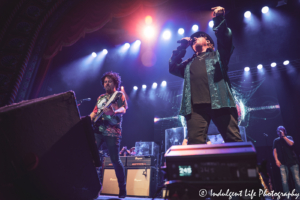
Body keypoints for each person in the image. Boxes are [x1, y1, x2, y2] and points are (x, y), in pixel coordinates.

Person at [169, 6, 242, 144]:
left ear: (208, 42)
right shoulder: (188, 63)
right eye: (192, 38)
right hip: (195, 109)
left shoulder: (218, 56)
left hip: (220, 103)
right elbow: (172, 67)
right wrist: (182, 48)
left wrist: (219, 18)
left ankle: (242, 166)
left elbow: (225, 40)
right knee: (195, 144)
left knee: (234, 140)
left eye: (198, 36)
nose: (194, 38)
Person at [90, 71, 128, 198]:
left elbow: (123, 109)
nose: (107, 83)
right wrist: (85, 120)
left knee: (115, 160)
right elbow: (94, 113)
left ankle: (122, 189)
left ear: (115, 83)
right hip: (98, 131)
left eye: (109, 81)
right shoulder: (100, 98)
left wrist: (114, 112)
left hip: (112, 132)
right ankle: (94, 187)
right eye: (105, 81)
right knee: (91, 158)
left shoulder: (119, 95)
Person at [273, 126, 300, 195]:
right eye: (279, 131)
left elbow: (291, 144)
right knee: (284, 181)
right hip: (282, 163)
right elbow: (274, 151)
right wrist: (276, 160)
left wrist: (284, 136)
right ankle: (287, 197)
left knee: (297, 180)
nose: (280, 132)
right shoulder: (276, 141)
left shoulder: (289, 138)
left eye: (282, 130)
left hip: (292, 162)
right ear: (277, 132)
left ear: (284, 131)